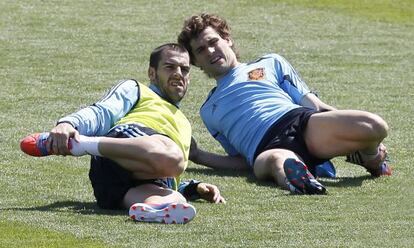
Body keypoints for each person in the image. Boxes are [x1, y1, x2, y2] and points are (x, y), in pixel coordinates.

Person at [178, 13, 391, 195]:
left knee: (375, 125)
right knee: (280, 160)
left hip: (301, 124)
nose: (210, 52)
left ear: (227, 39)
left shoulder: (271, 62)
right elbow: (241, 161)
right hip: (264, 149)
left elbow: (317, 106)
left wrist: (352, 127)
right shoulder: (208, 111)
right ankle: (300, 179)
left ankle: (370, 158)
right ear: (196, 63)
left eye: (213, 42)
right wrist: (198, 156)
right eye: (200, 50)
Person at [20, 43, 225, 224]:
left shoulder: (184, 124)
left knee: (174, 200)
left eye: (184, 69)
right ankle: (80, 144)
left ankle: (150, 211)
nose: (179, 73)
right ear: (152, 73)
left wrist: (192, 188)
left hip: (115, 187)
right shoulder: (138, 90)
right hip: (120, 147)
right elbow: (102, 111)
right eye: (170, 67)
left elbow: (164, 169)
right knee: (173, 157)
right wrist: (69, 123)